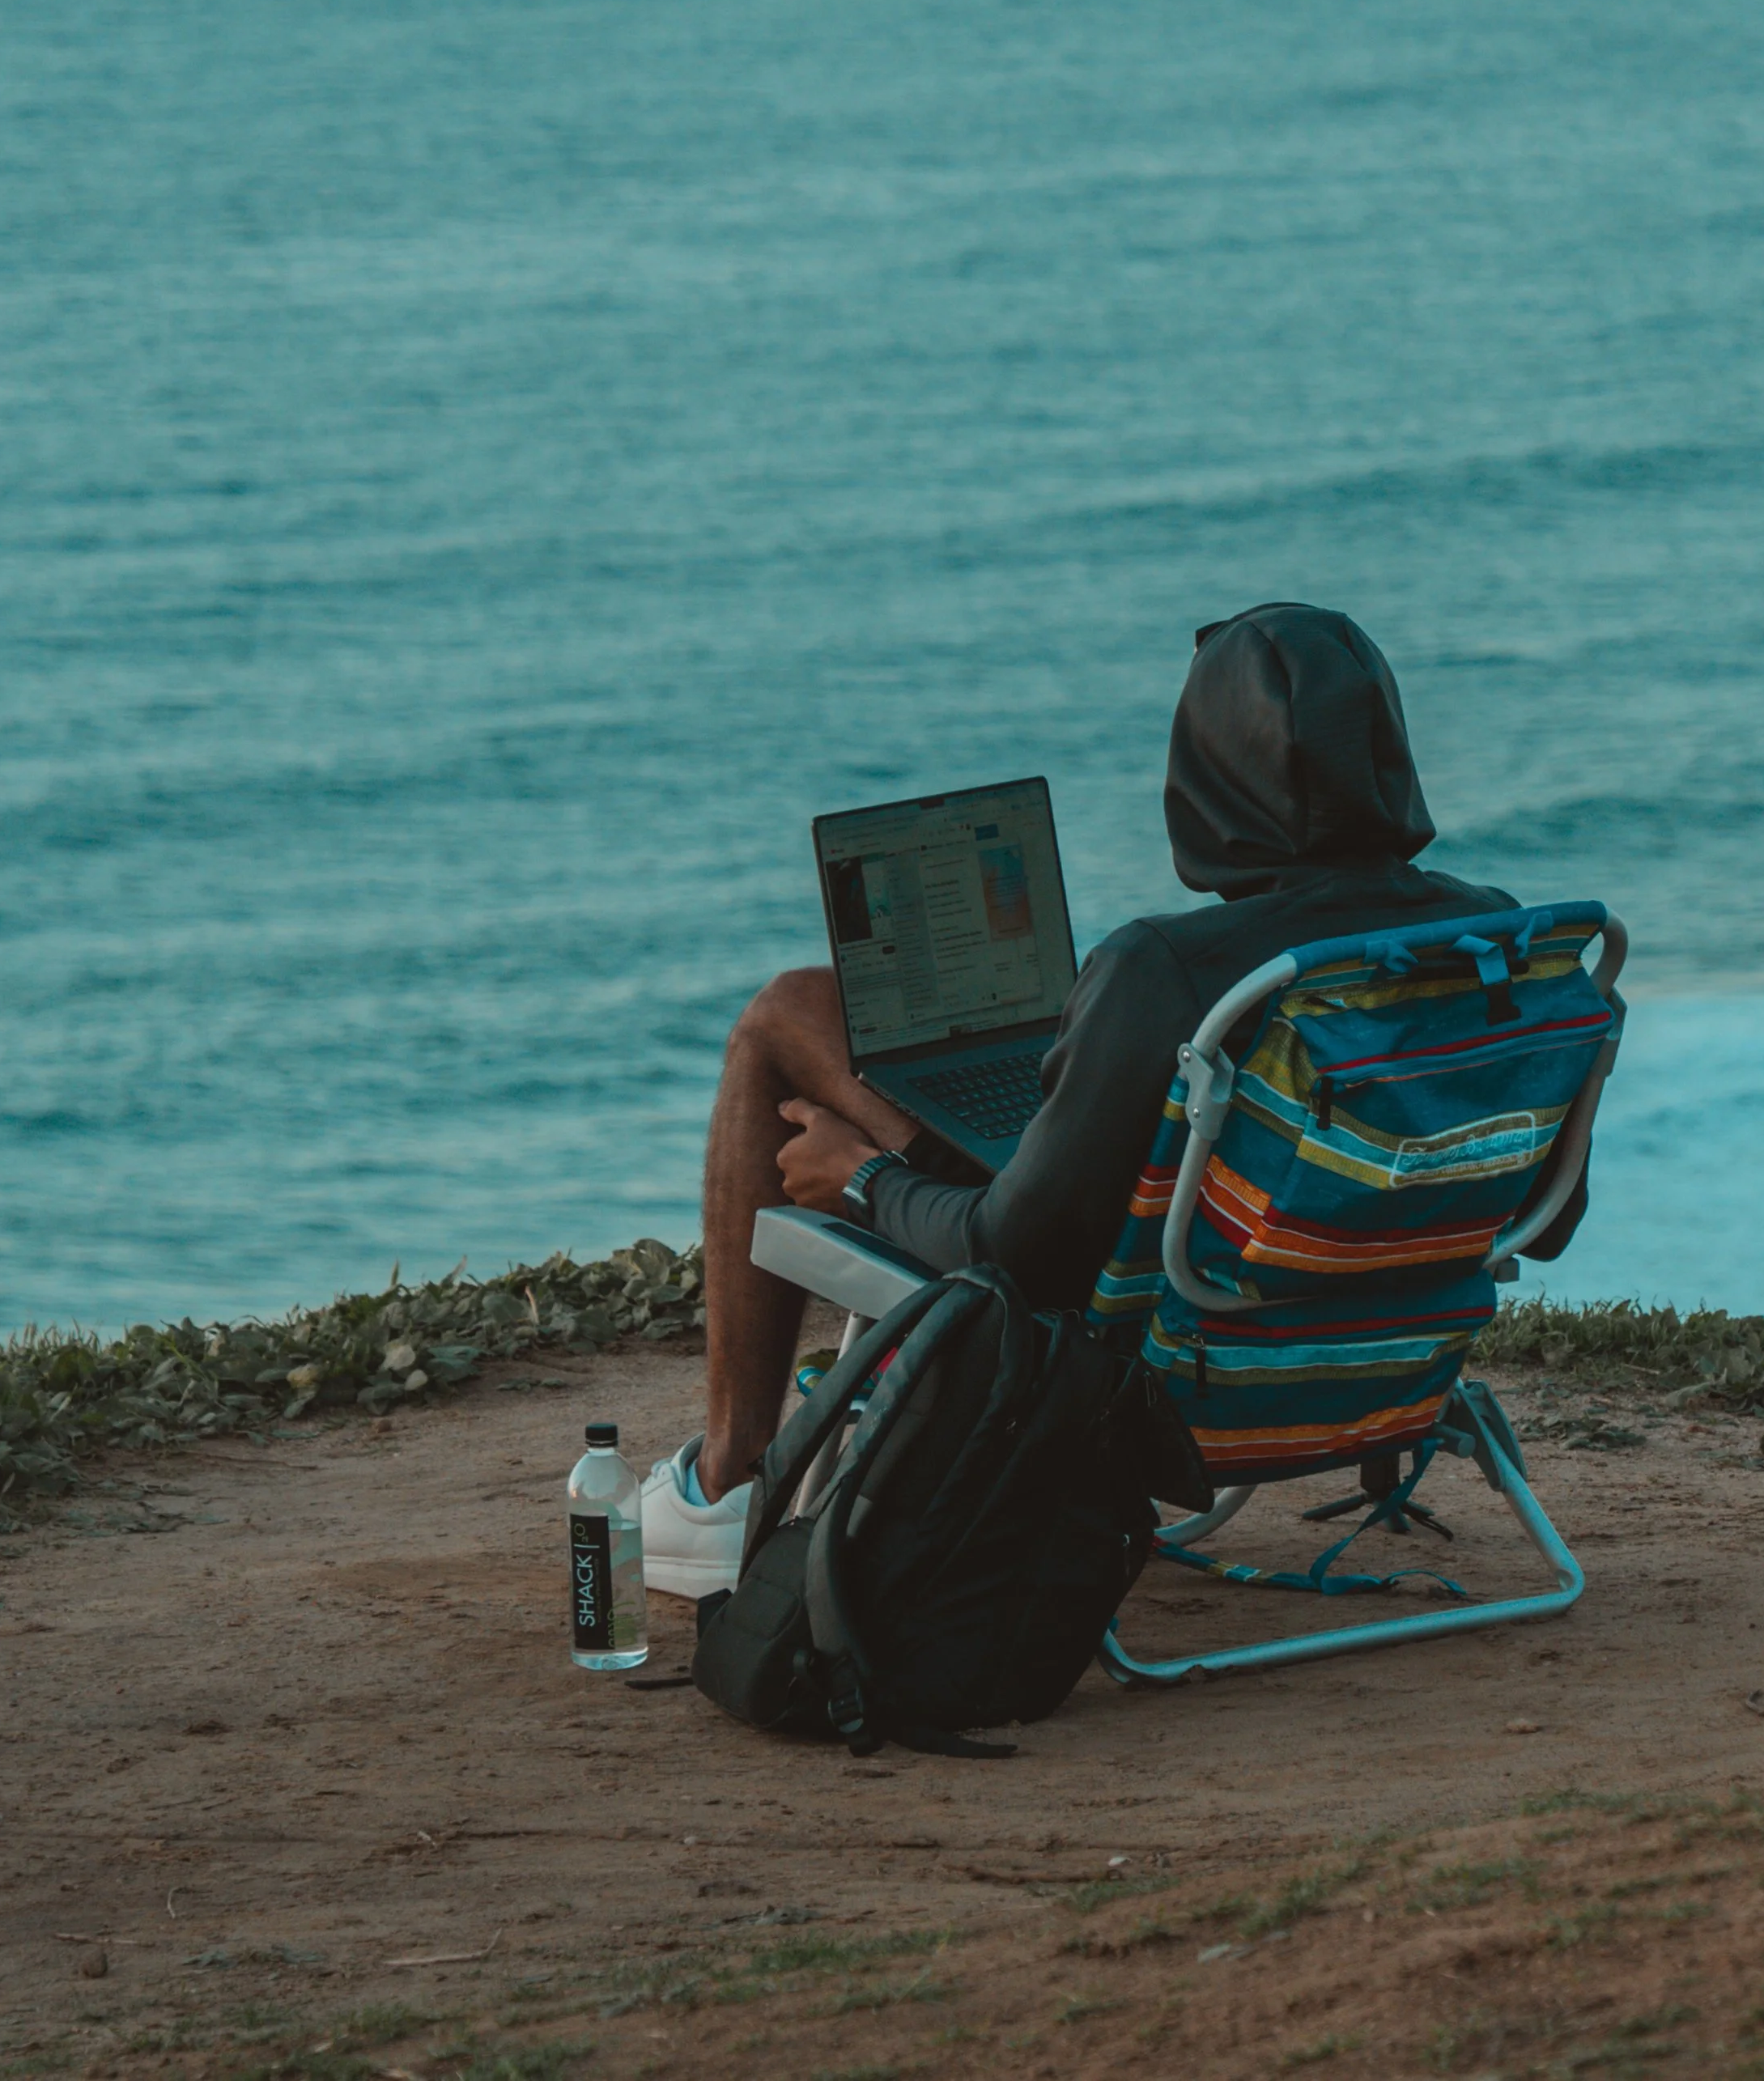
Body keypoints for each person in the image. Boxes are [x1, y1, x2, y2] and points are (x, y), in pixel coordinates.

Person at [640, 600, 1584, 1599]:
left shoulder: (1167, 971)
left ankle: (728, 1478)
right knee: (806, 1008)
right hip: (1382, 1364)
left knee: (777, 1026)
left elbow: (1018, 1262)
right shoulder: (1496, 948)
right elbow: (1548, 1223)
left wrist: (864, 1177)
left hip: (1162, 1389)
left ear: (1206, 777)